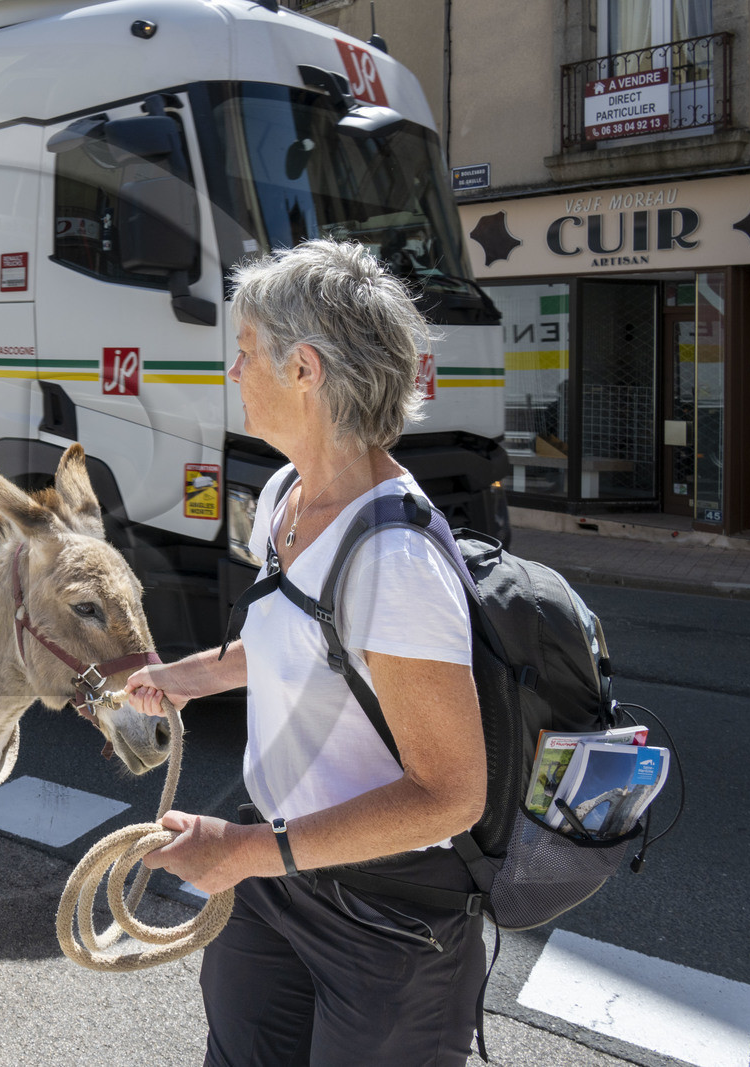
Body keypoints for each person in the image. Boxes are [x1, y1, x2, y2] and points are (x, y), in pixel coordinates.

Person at [126, 239, 488, 1067]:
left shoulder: (395, 557)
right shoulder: (288, 497)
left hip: (388, 919)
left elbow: (452, 794)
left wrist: (245, 850)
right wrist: (190, 676)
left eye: (246, 352)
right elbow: (297, 643)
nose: (235, 371)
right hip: (280, 877)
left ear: (306, 370)